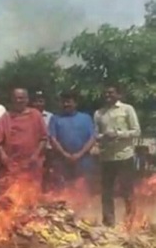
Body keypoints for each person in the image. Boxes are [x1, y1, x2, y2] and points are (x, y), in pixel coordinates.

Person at [93, 84, 141, 227]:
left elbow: (136, 131)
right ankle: (108, 221)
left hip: (125, 155)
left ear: (119, 95)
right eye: (106, 93)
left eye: (111, 93)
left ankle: (131, 220)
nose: (108, 95)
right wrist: (103, 137)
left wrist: (119, 134)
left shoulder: (127, 109)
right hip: (106, 157)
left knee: (127, 190)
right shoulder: (99, 113)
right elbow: (95, 134)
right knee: (106, 191)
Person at [0, 88, 48, 183]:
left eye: (21, 98)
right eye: (15, 98)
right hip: (12, 165)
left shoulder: (35, 115)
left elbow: (44, 138)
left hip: (32, 163)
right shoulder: (6, 117)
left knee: (31, 192)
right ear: (12, 99)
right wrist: (3, 156)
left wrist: (35, 155)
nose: (18, 101)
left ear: (27, 99)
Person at [48, 91, 96, 188]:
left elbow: (92, 138)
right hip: (62, 161)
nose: (66, 104)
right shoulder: (55, 118)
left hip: (83, 161)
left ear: (75, 103)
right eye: (63, 102)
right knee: (63, 191)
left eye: (69, 102)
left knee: (82, 190)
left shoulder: (86, 118)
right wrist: (65, 155)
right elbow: (52, 139)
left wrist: (79, 154)